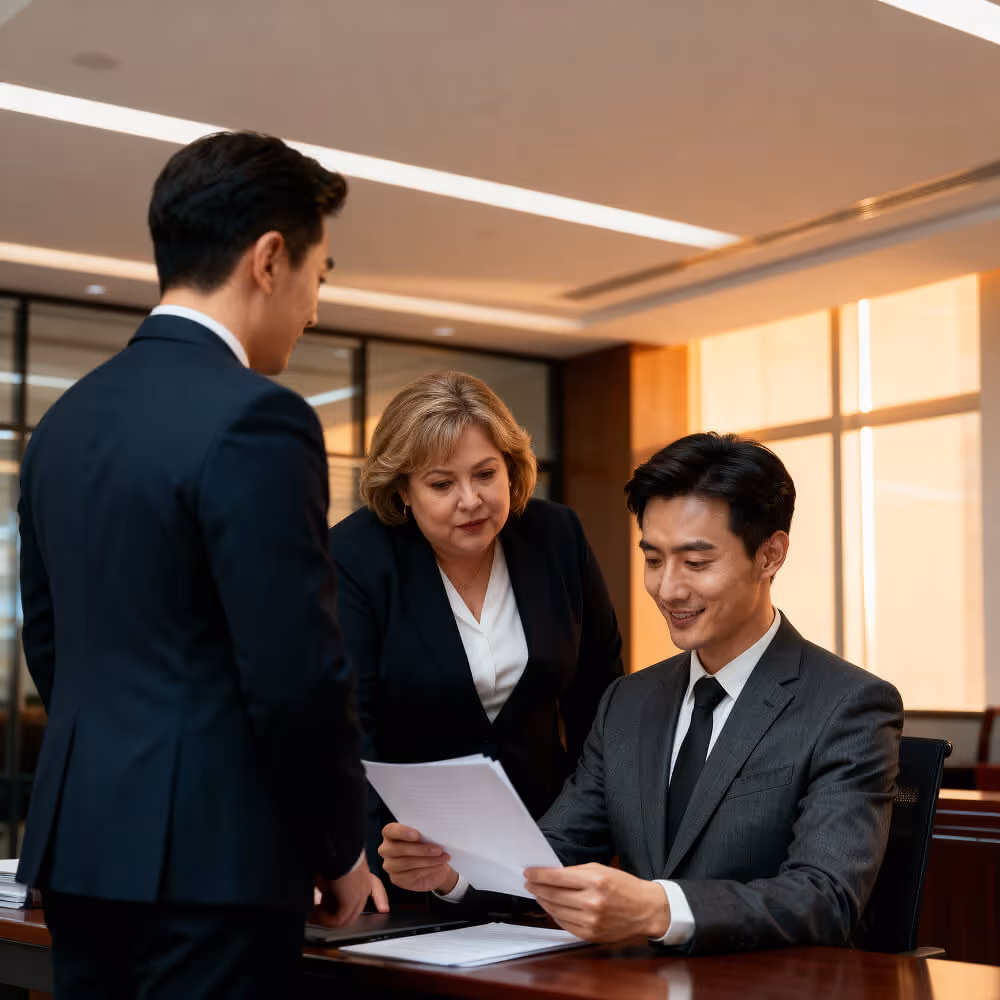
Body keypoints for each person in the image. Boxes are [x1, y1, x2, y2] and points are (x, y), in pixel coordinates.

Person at [18, 131, 370, 998]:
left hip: (82, 848)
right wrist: (338, 847)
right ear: (269, 259)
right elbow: (292, 673)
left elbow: (52, 643)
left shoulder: (66, 422)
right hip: (213, 864)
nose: (315, 309)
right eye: (319, 278)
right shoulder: (261, 419)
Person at [379, 432, 903, 953]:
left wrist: (658, 908)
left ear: (770, 555)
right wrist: (450, 874)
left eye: (696, 563)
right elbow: (548, 856)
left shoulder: (848, 707)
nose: (668, 589)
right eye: (653, 560)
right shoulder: (627, 702)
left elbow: (825, 898)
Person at [329, 370, 623, 905]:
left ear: (511, 467)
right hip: (410, 856)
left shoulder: (557, 536)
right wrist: (360, 861)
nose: (471, 500)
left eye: (486, 474)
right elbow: (349, 728)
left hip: (550, 842)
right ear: (403, 491)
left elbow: (600, 699)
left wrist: (600, 836)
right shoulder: (355, 557)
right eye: (441, 484)